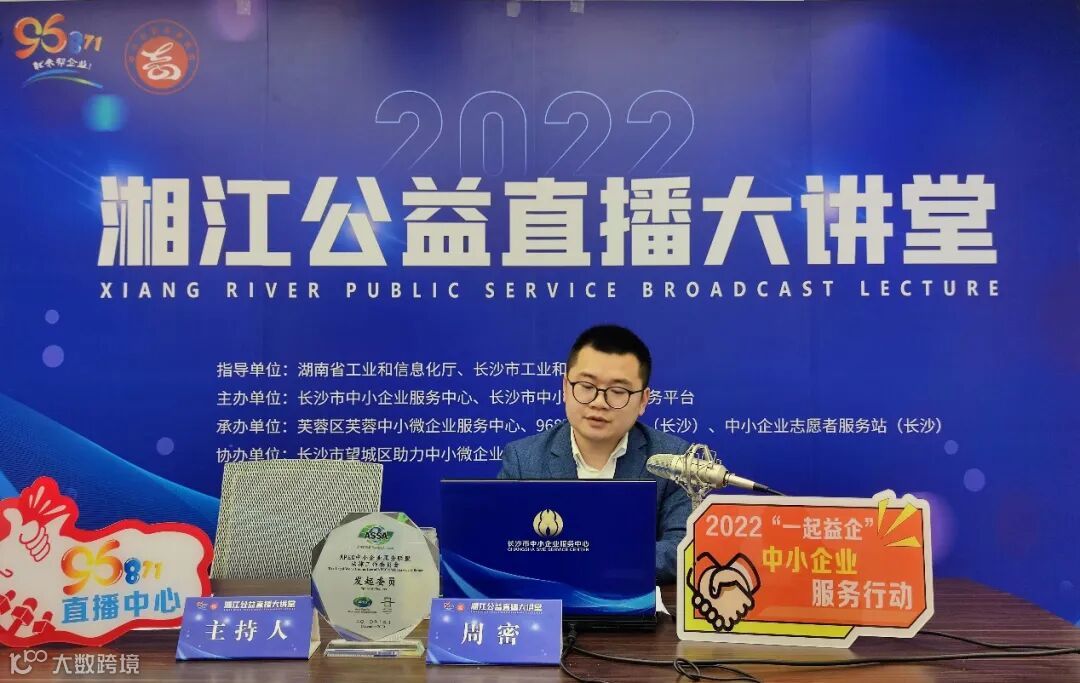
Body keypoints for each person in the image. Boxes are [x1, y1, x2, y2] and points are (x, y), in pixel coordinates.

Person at [497, 324, 691, 583]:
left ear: (643, 400)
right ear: (565, 387)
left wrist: (595, 559)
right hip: (552, 603)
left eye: (618, 391)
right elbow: (501, 542)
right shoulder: (523, 459)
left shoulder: (674, 460)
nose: (599, 402)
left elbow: (682, 548)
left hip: (632, 603)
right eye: (586, 386)